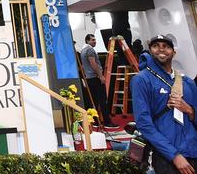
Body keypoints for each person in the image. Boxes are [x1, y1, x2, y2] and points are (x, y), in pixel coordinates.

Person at [131, 35, 197, 174]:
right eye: (156, 46)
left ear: (174, 52)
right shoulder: (141, 80)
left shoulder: (188, 82)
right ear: (149, 51)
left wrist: (190, 110)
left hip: (194, 151)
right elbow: (144, 123)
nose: (161, 49)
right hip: (167, 157)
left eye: (166, 46)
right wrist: (174, 156)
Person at [80, 33, 118, 127]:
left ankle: (95, 121)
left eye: (95, 39)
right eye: (92, 40)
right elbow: (93, 63)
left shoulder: (83, 51)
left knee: (94, 101)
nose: (95, 41)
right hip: (95, 78)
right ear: (87, 41)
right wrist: (101, 76)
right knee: (102, 100)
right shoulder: (90, 50)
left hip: (89, 78)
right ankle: (107, 122)